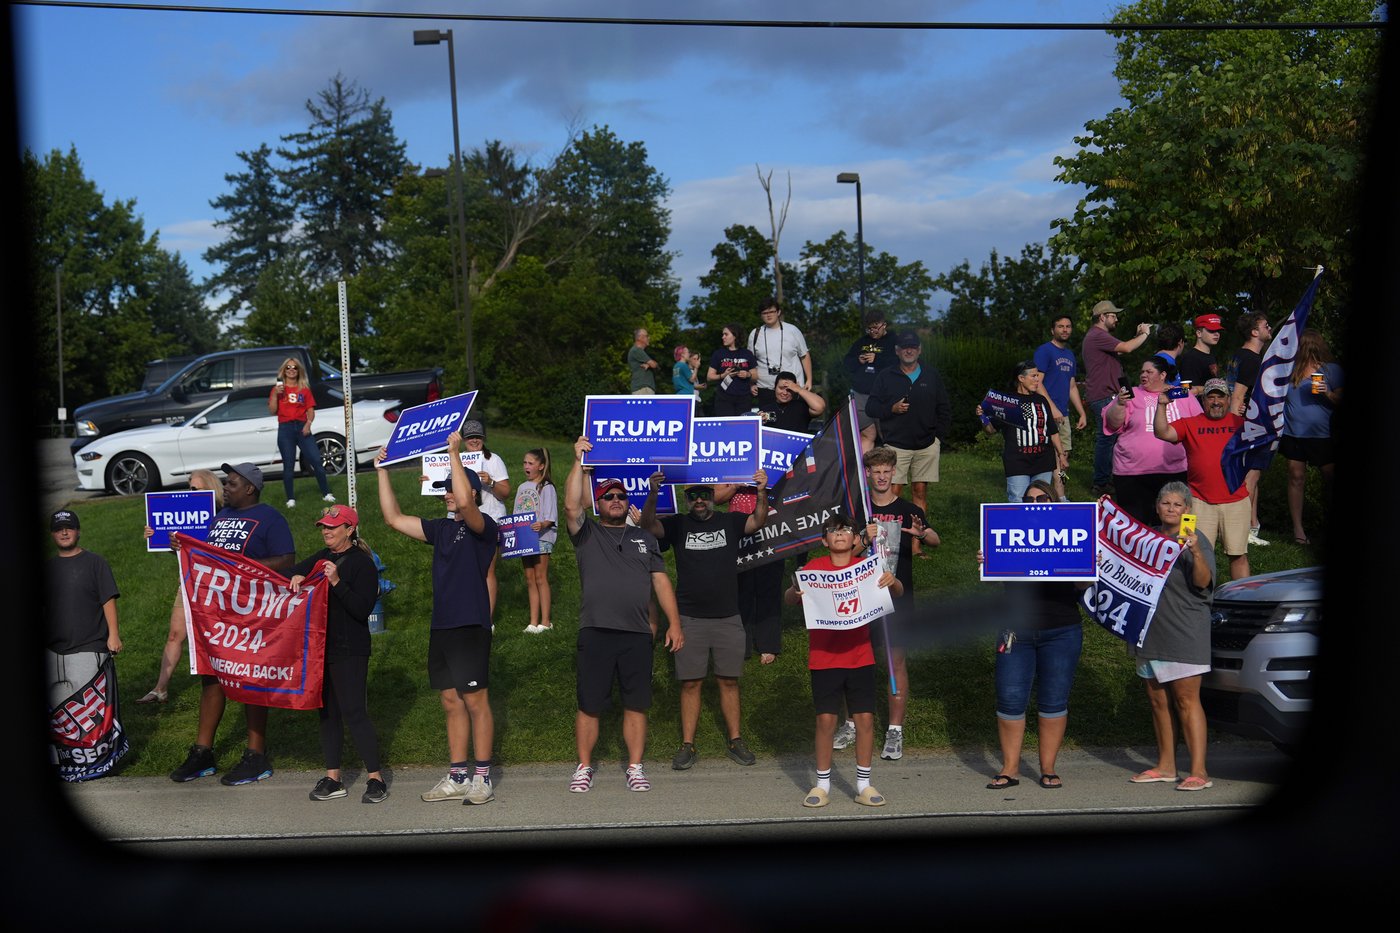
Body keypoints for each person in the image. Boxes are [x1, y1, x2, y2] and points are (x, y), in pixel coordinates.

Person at [377, 433, 499, 805]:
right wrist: (382, 470)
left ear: (474, 494)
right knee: (450, 700)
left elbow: (464, 499)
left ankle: (482, 777)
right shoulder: (442, 529)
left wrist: (453, 453)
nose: (447, 493)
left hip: (470, 624)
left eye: (452, 488)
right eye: (444, 488)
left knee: (476, 700)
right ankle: (458, 775)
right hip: (442, 625)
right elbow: (394, 518)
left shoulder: (485, 527)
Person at [563, 437, 683, 794]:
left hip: (636, 633)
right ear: (598, 504)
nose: (616, 500)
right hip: (596, 631)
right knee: (590, 703)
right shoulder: (587, 533)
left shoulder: (645, 538)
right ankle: (583, 766)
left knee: (636, 703)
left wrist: (674, 622)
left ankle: (634, 766)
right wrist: (578, 462)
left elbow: (661, 582)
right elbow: (570, 506)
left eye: (620, 496)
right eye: (608, 497)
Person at [169, 462, 294, 785]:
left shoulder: (270, 518)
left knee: (250, 679)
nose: (226, 487)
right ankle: (203, 753)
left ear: (250, 488)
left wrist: (240, 568)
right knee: (212, 678)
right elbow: (209, 559)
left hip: (251, 616)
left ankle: (256, 755)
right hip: (217, 615)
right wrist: (182, 551)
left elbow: (286, 560)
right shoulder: (220, 518)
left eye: (232, 483)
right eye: (226, 482)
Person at [641, 470, 769, 770]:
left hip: (728, 616)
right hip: (688, 618)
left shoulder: (731, 521)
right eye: (693, 496)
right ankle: (688, 744)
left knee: (729, 681)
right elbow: (648, 526)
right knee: (690, 683)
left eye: (705, 495)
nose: (699, 500)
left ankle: (736, 740)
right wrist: (653, 493)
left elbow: (757, 521)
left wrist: (761, 492)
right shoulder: (678, 524)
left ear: (714, 498)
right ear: (686, 500)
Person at [786, 512, 903, 808]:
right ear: (824, 540)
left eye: (846, 530)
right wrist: (793, 591)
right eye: (833, 531)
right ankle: (822, 784)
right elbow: (789, 599)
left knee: (865, 719)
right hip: (824, 658)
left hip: (860, 656)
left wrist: (892, 579)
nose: (840, 534)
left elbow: (897, 593)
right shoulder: (813, 568)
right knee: (826, 721)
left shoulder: (866, 567)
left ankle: (863, 783)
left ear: (854, 539)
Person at [980, 481, 1086, 790]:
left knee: (1054, 699)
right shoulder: (1006, 529)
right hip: (1014, 631)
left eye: (1042, 498)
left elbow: (1082, 589)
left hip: (1062, 629)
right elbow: (991, 582)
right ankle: (1010, 768)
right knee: (1010, 698)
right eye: (1029, 499)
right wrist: (987, 566)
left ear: (1054, 502)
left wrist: (1088, 569)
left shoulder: (1072, 532)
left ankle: (1048, 768)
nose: (1035, 502)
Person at [843, 446, 940, 761]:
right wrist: (864, 540)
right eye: (877, 472)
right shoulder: (856, 510)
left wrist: (922, 534)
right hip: (860, 597)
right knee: (856, 662)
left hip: (898, 595)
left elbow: (935, 539)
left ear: (893, 473)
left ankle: (895, 731)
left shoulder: (908, 508)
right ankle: (851, 722)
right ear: (868, 474)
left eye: (888, 472)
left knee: (895, 663)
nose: (883, 477)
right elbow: (844, 552)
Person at [287, 505, 387, 804]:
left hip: (350, 649)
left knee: (354, 712)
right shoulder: (321, 557)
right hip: (321, 649)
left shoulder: (362, 564)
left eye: (333, 526)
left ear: (350, 529)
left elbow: (362, 609)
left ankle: (375, 779)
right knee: (327, 713)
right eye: (323, 526)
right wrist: (295, 576)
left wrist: (336, 583)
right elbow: (292, 570)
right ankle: (333, 778)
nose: (326, 531)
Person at [1127, 482, 1215, 792]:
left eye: (1178, 504)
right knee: (1157, 701)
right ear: (1157, 506)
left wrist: (1194, 551)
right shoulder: (1147, 539)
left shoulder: (1196, 540)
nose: (1171, 509)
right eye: (1166, 503)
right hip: (1149, 631)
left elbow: (1203, 582)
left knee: (1186, 700)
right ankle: (1166, 766)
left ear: (1187, 510)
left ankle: (1199, 771)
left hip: (1184, 631)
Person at [137, 468, 223, 704]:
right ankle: (160, 689)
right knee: (175, 634)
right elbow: (179, 548)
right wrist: (156, 537)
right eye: (189, 488)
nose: (190, 492)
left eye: (195, 488)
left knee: (219, 637)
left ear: (210, 488)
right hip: (187, 584)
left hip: (216, 587)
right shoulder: (183, 514)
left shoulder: (224, 516)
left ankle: (234, 681)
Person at [1153, 378, 1253, 580]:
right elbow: (1161, 432)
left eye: (1220, 396)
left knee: (1238, 555)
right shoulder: (1191, 423)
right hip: (1199, 502)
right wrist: (1161, 405)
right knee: (1194, 552)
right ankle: (1199, 602)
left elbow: (1265, 444)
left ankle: (1241, 604)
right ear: (1203, 401)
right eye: (1211, 397)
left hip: (1236, 499)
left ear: (1228, 399)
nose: (1216, 401)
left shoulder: (1241, 424)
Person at [865, 329, 952, 558]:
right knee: (893, 492)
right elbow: (871, 407)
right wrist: (891, 409)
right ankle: (889, 546)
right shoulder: (886, 376)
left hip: (926, 445)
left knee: (920, 492)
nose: (909, 350)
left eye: (913, 346)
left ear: (919, 349)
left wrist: (937, 437)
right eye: (904, 347)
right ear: (897, 351)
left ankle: (915, 545)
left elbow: (944, 408)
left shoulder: (931, 375)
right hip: (896, 445)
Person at [1102, 358, 1202, 524]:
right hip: (1133, 472)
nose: (1143, 375)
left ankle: (1180, 550)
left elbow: (1198, 426)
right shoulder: (1131, 394)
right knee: (1133, 524)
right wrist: (1120, 404)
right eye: (1142, 371)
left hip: (1175, 470)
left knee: (1173, 522)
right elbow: (1112, 424)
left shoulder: (1181, 394)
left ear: (1162, 375)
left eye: (1149, 372)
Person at [46, 510, 121, 711]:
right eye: (58, 529)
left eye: (68, 528)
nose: (64, 533)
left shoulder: (95, 563)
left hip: (89, 647)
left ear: (78, 531)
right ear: (52, 534)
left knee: (89, 709)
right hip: (53, 650)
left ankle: (95, 744)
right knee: (59, 711)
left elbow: (108, 599)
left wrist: (113, 635)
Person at [1082, 300, 1154, 497]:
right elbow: (1126, 348)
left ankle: (1115, 478)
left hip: (1113, 393)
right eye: (1113, 315)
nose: (1116, 318)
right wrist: (1145, 334)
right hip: (1105, 395)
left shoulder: (1100, 337)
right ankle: (1102, 482)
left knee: (1116, 438)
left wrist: (1138, 336)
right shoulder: (1097, 335)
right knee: (1107, 439)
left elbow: (1124, 346)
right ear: (1102, 317)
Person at [1281, 329, 1343, 545]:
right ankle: (1298, 530)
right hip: (1293, 434)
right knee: (1296, 476)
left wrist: (1327, 392)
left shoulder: (1332, 370)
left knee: (1330, 477)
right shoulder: (1290, 370)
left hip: (1322, 435)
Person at [978, 360, 1068, 503]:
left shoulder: (1041, 400)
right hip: (1017, 463)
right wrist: (983, 418)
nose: (1037, 379)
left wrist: (1061, 455)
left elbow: (1052, 431)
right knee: (1018, 501)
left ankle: (1044, 523)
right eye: (1033, 376)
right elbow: (990, 430)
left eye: (1037, 375)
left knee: (1042, 501)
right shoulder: (1008, 402)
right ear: (1021, 378)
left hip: (1043, 461)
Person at [1226, 311, 1274, 546]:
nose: (1270, 329)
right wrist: (1235, 432)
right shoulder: (1252, 360)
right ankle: (1242, 530)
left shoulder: (1238, 355)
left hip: (1246, 424)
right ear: (1254, 332)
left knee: (1253, 476)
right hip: (1247, 427)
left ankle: (1252, 526)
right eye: (1266, 326)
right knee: (1250, 478)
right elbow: (1237, 397)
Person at [268, 357, 335, 508]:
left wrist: (308, 424)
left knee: (316, 460)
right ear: (284, 371)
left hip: (302, 427)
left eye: (295, 367)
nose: (291, 370)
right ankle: (290, 499)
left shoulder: (304, 389)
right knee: (289, 465)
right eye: (288, 367)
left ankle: (326, 493)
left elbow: (310, 411)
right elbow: (272, 411)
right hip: (285, 429)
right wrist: (274, 395)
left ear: (299, 371)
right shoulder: (278, 389)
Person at [1033, 314, 1087, 501]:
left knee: (1064, 458)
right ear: (1052, 330)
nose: (1065, 329)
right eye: (1060, 326)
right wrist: (1052, 408)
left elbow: (1072, 386)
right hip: (1045, 414)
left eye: (1068, 326)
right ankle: (1042, 496)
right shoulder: (1045, 351)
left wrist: (1081, 412)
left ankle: (1060, 496)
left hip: (1063, 415)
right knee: (1049, 458)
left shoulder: (1070, 354)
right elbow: (1037, 383)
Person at [461, 419, 510, 618]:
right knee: (465, 570)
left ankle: (487, 620)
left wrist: (490, 481)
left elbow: (505, 492)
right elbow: (448, 495)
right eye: (470, 437)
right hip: (462, 521)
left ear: (483, 438)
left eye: (478, 437)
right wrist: (431, 484)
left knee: (487, 569)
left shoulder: (493, 460)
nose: (474, 440)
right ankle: (469, 614)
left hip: (490, 518)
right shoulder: (456, 459)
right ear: (464, 440)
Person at [515, 447, 558, 633]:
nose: (526, 466)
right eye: (525, 462)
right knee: (529, 578)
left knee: (541, 578)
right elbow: (517, 514)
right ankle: (533, 622)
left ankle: (546, 622)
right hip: (524, 538)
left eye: (530, 463)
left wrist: (542, 524)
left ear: (541, 466)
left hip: (542, 537)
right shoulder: (522, 487)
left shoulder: (547, 487)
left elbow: (551, 516)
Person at [843, 309, 899, 452]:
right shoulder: (861, 342)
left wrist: (877, 359)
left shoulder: (895, 341)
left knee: (887, 434)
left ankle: (893, 470)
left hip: (885, 396)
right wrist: (858, 360)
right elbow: (847, 363)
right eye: (869, 328)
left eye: (875, 327)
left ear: (884, 325)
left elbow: (899, 363)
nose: (873, 331)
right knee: (867, 434)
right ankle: (864, 471)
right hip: (861, 395)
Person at [748, 296, 812, 406]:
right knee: (768, 422)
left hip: (792, 387)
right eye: (764, 313)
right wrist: (751, 383)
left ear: (778, 312)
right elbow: (751, 361)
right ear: (761, 315)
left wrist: (809, 379)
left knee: (793, 421)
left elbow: (804, 355)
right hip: (765, 388)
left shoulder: (792, 330)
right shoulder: (755, 334)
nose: (768, 315)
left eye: (772, 311)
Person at [707, 323, 759, 417]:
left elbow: (755, 376)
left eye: (726, 334)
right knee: (726, 427)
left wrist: (748, 375)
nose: (723, 337)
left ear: (735, 335)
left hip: (744, 398)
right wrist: (723, 375)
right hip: (723, 398)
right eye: (723, 334)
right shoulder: (718, 354)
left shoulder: (747, 353)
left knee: (742, 427)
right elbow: (709, 377)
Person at [758, 370, 825, 432]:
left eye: (789, 390)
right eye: (781, 388)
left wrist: (799, 390)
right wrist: (758, 422)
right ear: (774, 388)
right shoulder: (765, 409)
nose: (785, 393)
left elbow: (820, 407)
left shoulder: (802, 407)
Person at [1177, 314, 1223, 391]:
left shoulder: (1212, 356)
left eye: (1218, 331)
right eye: (1211, 330)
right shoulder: (1190, 358)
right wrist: (1216, 387)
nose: (1216, 334)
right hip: (1195, 402)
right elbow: (1186, 389)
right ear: (1199, 333)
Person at [628, 327, 659, 395]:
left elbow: (655, 364)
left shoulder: (639, 351)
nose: (649, 338)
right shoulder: (637, 350)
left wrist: (649, 365)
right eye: (647, 336)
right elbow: (654, 365)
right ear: (640, 337)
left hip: (643, 388)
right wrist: (651, 364)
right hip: (643, 388)